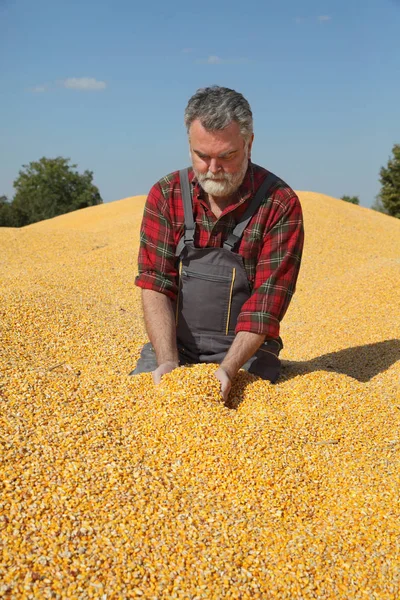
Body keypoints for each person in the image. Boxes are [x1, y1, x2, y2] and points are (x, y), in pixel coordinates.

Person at [130, 86, 304, 401]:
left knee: (248, 413)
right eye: (202, 156)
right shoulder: (166, 195)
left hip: (248, 352)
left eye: (226, 156)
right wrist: (167, 361)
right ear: (189, 145)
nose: (213, 169)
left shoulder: (279, 203)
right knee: (144, 402)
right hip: (176, 347)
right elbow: (156, 285)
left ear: (249, 144)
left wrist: (227, 370)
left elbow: (265, 306)